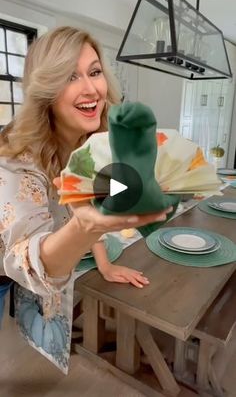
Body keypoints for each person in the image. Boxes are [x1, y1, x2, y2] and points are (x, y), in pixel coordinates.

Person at [0, 26, 172, 371]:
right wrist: (84, 227)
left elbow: (91, 204)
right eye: (70, 77)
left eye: (94, 72)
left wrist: (104, 262)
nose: (91, 88)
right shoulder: (16, 158)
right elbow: (27, 254)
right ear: (46, 89)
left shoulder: (93, 140)